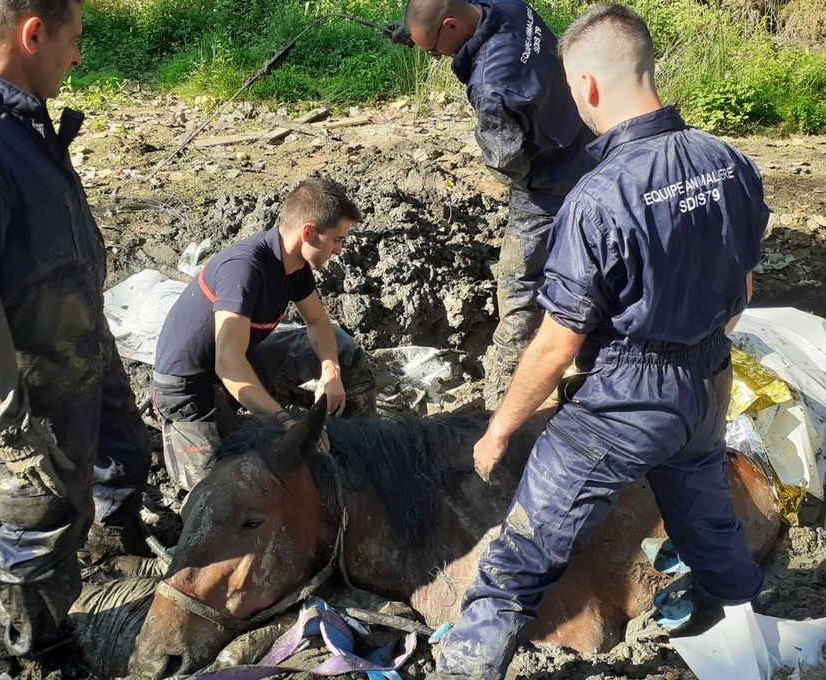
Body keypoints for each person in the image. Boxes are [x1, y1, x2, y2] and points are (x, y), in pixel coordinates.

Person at [434, 5, 771, 679]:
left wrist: (501, 430)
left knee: (521, 554)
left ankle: (464, 667)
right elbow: (746, 281)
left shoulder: (599, 198)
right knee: (706, 519)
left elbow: (557, 344)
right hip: (707, 378)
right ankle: (739, 633)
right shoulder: (729, 163)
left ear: (586, 88)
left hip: (627, 397)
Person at [0, 0, 151, 658]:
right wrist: (13, 437)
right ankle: (25, 652)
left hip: (82, 350)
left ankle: (108, 558)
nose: (77, 58)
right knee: (38, 536)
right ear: (32, 33)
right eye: (72, 41)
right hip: (33, 388)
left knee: (124, 461)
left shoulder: (18, 121)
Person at [392, 0, 596, 405]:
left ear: (450, 25)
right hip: (587, 137)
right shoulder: (506, 6)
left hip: (550, 180)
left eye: (434, 49)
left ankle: (504, 394)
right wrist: (417, 34)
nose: (435, 57)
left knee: (519, 283)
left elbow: (507, 163)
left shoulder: (492, 85)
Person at [151, 178, 376, 486]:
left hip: (239, 362)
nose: (339, 250)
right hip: (189, 388)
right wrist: (283, 420)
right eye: (336, 239)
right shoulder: (244, 268)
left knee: (342, 349)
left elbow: (318, 323)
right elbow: (227, 364)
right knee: (217, 493)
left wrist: (330, 372)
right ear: (308, 232)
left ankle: (358, 451)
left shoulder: (295, 266)